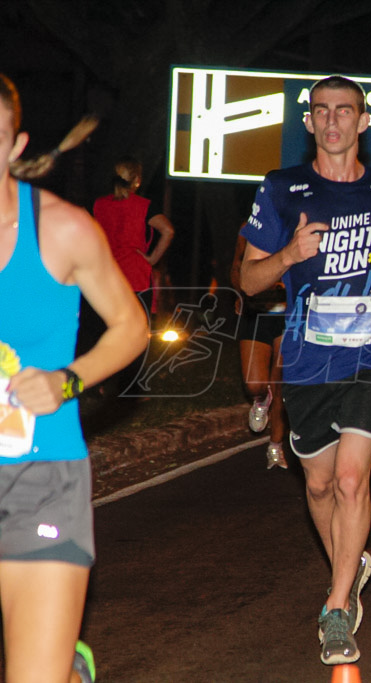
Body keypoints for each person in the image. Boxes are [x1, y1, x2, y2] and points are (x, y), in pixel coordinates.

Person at [238, 76, 371, 665]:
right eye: (321, 111)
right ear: (309, 121)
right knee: (318, 483)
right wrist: (292, 255)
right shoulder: (280, 189)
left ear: (364, 121)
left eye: (344, 111)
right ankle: (349, 559)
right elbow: (246, 280)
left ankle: (338, 607)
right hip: (305, 354)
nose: (332, 121)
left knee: (351, 479)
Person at [0, 73, 149, 683]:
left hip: (41, 473)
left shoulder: (61, 230)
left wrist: (66, 381)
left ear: (15, 145)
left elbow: (131, 327)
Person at [88, 157, 175, 394]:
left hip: (105, 277)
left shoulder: (99, 205)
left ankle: (97, 383)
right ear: (136, 181)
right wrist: (153, 258)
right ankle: (130, 387)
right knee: (136, 332)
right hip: (136, 277)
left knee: (104, 331)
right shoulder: (145, 205)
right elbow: (168, 230)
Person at [229, 232, 288, 469]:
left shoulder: (299, 224)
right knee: (254, 384)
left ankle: (275, 446)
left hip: (288, 314)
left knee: (280, 382)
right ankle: (262, 399)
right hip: (256, 313)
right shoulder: (248, 228)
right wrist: (242, 291)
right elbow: (236, 266)